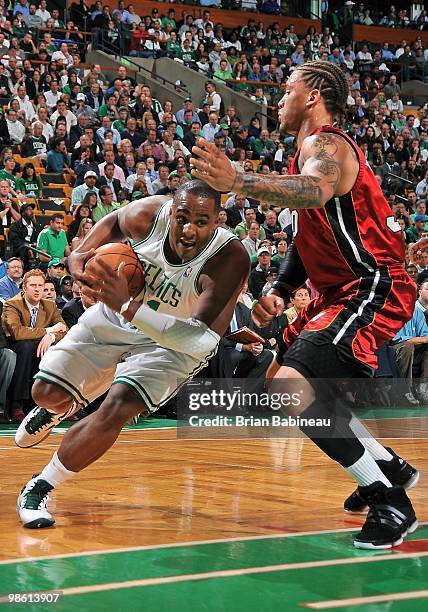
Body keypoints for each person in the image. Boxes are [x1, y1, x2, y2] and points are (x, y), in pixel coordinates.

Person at [190, 61, 419, 549]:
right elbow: (305, 236)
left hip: (371, 286)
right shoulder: (306, 152)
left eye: (286, 90)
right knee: (284, 383)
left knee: (293, 387)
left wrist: (239, 182)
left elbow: (314, 192)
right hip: (338, 292)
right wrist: (277, 286)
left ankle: (388, 500)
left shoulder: (327, 146)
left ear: (313, 96)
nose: (278, 100)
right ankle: (386, 464)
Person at [15, 181, 249, 528]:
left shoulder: (230, 258)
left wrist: (126, 305)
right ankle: (60, 406)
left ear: (218, 221)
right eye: (182, 217)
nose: (188, 230)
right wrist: (81, 252)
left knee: (118, 406)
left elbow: (198, 339)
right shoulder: (149, 213)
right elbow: (114, 223)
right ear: (170, 211)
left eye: (201, 221)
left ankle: (40, 485)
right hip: (118, 315)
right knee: (45, 393)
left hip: (175, 341)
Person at [2, 270, 67, 422]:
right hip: (16, 347)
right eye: (33, 285)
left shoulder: (50, 305)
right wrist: (48, 330)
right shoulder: (12, 304)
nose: (38, 289)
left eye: (40, 285)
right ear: (24, 288)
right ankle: (17, 405)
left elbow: (64, 330)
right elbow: (17, 333)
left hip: (39, 348)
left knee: (50, 348)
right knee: (26, 346)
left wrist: (50, 337)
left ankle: (44, 403)